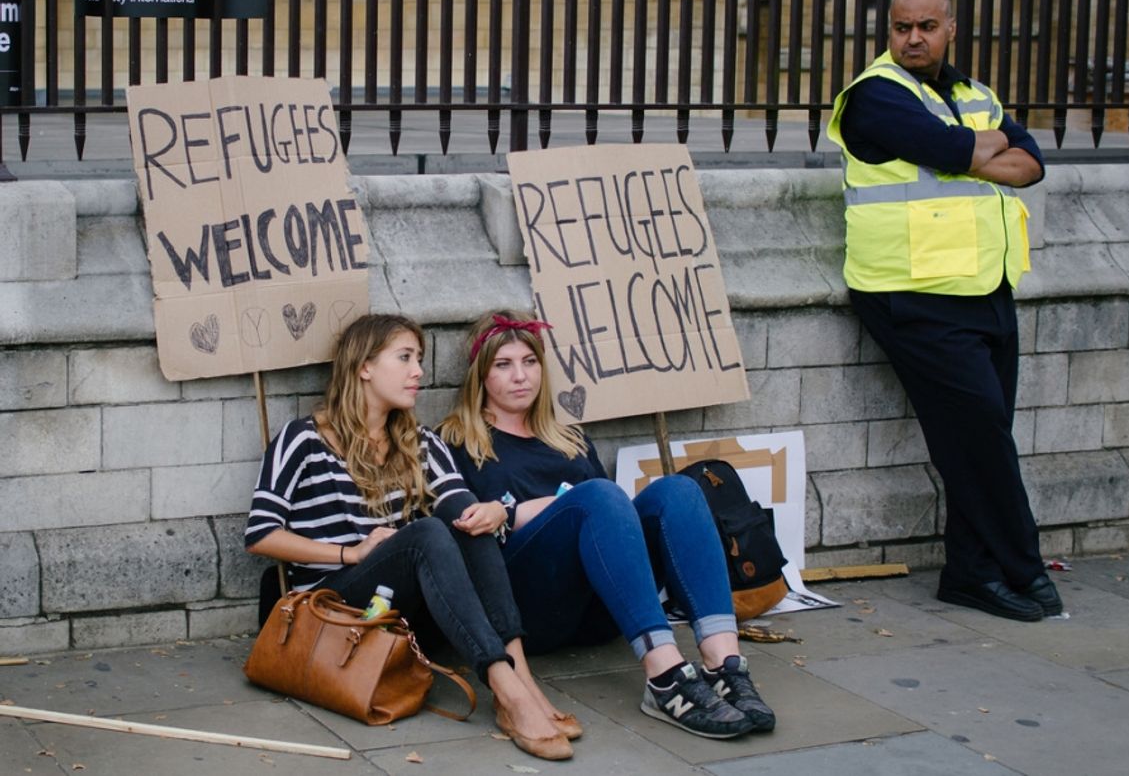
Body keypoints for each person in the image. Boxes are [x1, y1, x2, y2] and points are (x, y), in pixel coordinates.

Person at [826, 0, 1062, 621]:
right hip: (910, 293)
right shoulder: (874, 95)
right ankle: (1024, 567)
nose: (913, 39)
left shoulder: (974, 95)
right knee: (981, 433)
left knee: (981, 437)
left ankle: (970, 574)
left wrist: (969, 153)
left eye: (927, 26)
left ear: (950, 28)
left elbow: (1032, 161)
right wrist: (974, 151)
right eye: (902, 27)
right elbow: (958, 152)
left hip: (984, 286)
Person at [244, 314, 577, 761]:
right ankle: (506, 689)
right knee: (426, 534)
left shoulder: (417, 441)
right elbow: (260, 533)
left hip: (395, 603)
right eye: (404, 358)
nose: (418, 370)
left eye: (418, 359)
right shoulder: (302, 439)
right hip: (329, 602)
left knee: (467, 520)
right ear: (364, 366)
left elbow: (458, 502)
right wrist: (350, 552)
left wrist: (494, 511)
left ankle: (521, 680)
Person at [438, 310, 776, 740]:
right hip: (528, 607)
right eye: (503, 365)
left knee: (680, 491)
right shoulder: (455, 441)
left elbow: (611, 523)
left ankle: (725, 664)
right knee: (599, 495)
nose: (520, 376)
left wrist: (545, 504)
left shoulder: (570, 437)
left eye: (530, 362)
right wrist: (537, 508)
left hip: (600, 612)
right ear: (479, 376)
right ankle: (664, 676)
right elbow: (461, 533)